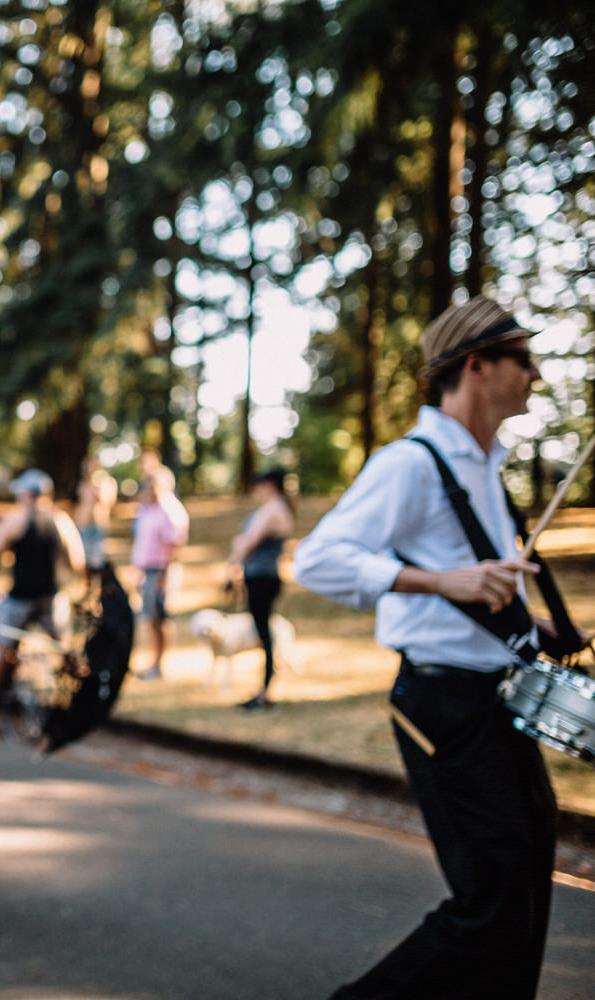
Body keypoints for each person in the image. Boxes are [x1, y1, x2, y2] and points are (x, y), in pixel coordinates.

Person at [294, 296, 556, 1000]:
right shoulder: (410, 463)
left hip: (495, 698)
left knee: (527, 883)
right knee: (493, 900)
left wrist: (544, 630)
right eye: (523, 360)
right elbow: (318, 559)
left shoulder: (484, 469)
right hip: (443, 702)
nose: (536, 376)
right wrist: (441, 580)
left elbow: (485, 588)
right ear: (477, 365)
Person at [0, 468, 85, 717]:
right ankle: (77, 699)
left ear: (26, 494)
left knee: (4, 649)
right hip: (52, 597)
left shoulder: (14, 520)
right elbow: (77, 562)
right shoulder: (61, 521)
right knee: (64, 650)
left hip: (20, 597)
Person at [225, 466, 295, 710]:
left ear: (270, 485)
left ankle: (264, 691)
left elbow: (249, 542)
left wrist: (232, 565)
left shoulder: (273, 510)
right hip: (264, 576)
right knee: (263, 633)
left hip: (262, 578)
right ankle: (263, 688)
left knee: (264, 635)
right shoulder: (277, 508)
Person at [129, 464, 188, 680]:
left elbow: (175, 545)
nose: (146, 489)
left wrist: (164, 577)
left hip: (160, 570)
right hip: (146, 570)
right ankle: (152, 662)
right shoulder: (145, 509)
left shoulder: (169, 509)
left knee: (159, 617)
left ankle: (159, 664)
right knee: (150, 618)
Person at [72, 455, 118, 573]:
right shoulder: (79, 484)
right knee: (83, 559)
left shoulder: (105, 483)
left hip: (98, 526)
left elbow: (108, 502)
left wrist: (96, 488)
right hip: (82, 525)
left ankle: (99, 585)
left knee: (98, 560)